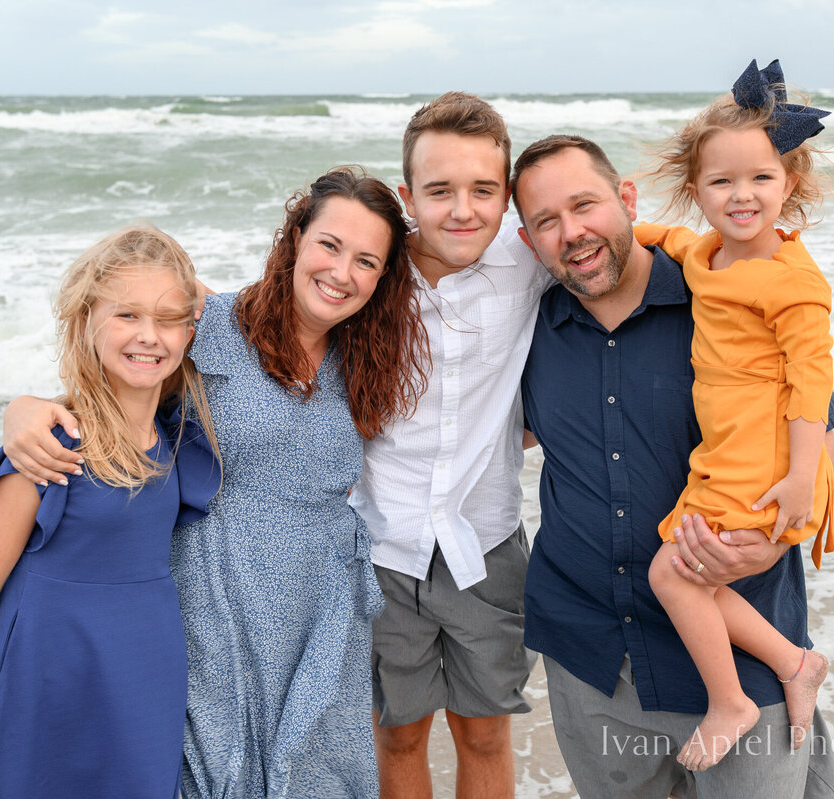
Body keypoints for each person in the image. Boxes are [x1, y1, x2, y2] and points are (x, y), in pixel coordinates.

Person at [0, 168, 429, 798]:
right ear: (296, 238)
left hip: (322, 611)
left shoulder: (368, 356)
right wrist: (26, 408)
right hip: (215, 603)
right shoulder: (213, 324)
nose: (342, 272)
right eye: (330, 246)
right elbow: (118, 366)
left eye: (367, 261)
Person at [512, 134, 834, 798]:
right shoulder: (523, 331)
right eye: (546, 221)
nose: (572, 232)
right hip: (592, 659)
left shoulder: (726, 294)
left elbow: (815, 425)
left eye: (585, 205)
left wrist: (770, 541)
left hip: (744, 663)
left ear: (627, 200)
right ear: (528, 242)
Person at [0, 224, 221, 799]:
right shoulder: (50, 449)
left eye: (167, 319)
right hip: (45, 687)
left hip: (143, 691)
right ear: (86, 320)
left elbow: (249, 319)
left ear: (190, 330)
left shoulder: (180, 441)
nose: (148, 336)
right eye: (126, 315)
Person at [637, 58, 834, 771]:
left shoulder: (795, 282)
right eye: (721, 181)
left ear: (791, 183)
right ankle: (794, 662)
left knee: (671, 573)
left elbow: (814, 385)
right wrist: (621, 229)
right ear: (698, 191)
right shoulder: (708, 254)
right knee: (699, 573)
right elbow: (666, 240)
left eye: (760, 178)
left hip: (768, 460)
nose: (742, 194)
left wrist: (802, 482)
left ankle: (732, 700)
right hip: (721, 454)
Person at [352, 92, 552, 799]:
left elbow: (631, 259)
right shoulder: (366, 273)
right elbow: (253, 324)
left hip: (487, 544)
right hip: (380, 546)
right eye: (439, 190)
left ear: (508, 199)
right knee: (398, 732)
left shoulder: (529, 260)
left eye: (483, 190)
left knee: (484, 731)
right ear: (408, 196)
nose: (462, 209)